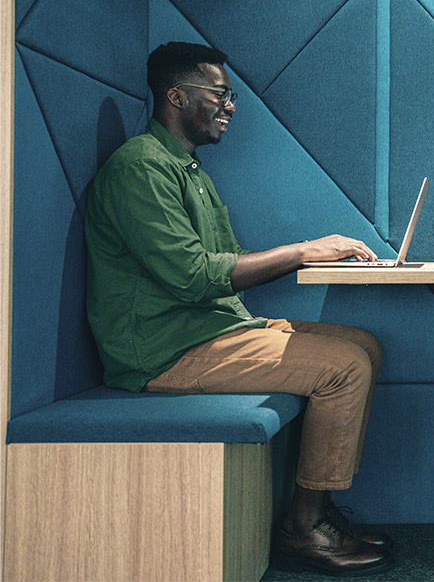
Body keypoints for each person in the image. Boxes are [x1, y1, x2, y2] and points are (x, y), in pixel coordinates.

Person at [84, 41, 395, 577]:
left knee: (364, 343)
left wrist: (316, 253)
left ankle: (318, 511)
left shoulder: (189, 170)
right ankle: (303, 530)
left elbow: (221, 262)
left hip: (209, 328)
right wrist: (302, 251)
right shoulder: (140, 168)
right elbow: (192, 275)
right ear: (177, 96)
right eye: (220, 95)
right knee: (345, 367)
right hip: (164, 349)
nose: (231, 106)